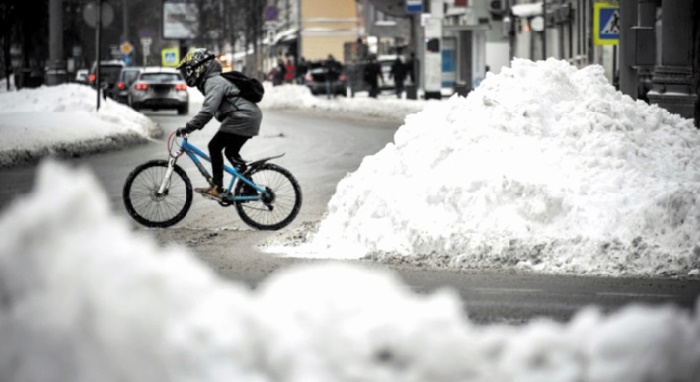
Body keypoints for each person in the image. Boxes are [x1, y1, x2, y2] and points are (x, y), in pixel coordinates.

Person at [176, 48, 262, 200]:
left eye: (188, 70)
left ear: (199, 67)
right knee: (230, 152)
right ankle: (249, 187)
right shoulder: (213, 80)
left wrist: (189, 127)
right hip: (248, 116)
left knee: (214, 146)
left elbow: (207, 111)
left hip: (242, 117)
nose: (187, 75)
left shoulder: (213, 81)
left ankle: (217, 187)